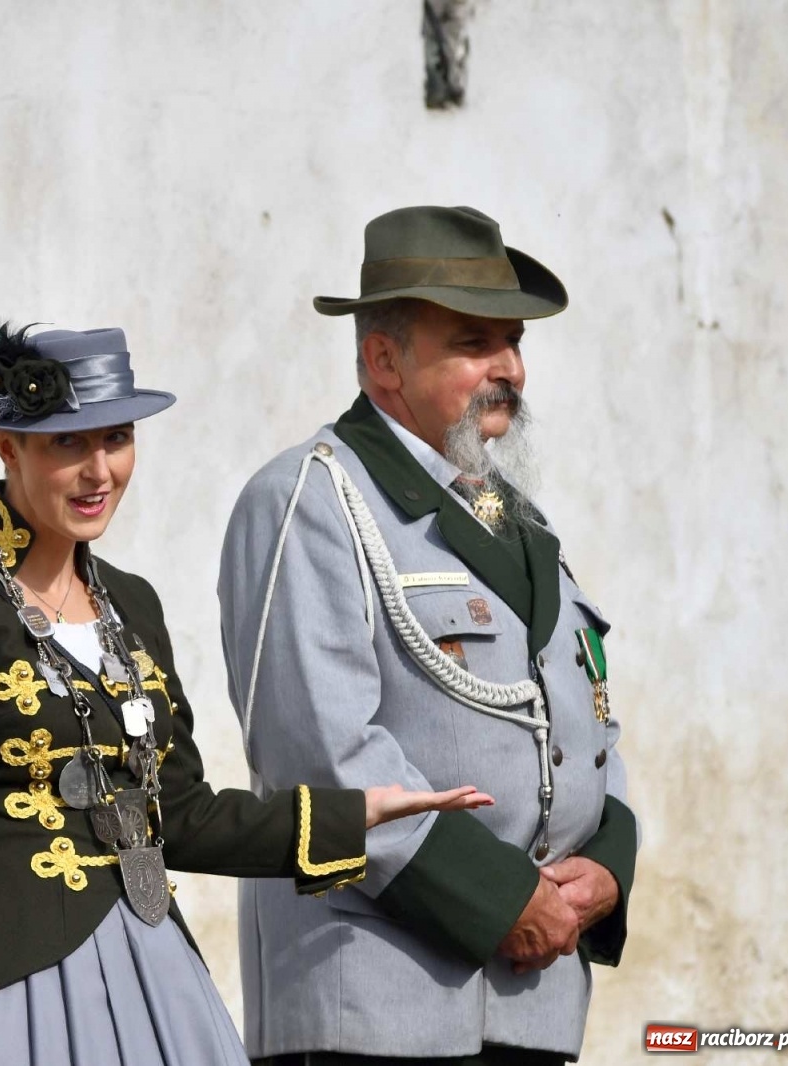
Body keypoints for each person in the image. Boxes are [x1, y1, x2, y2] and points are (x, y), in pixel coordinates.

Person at [0, 324, 491, 1065]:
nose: (99, 472)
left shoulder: (132, 604)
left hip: (152, 970)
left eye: (116, 438)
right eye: (67, 444)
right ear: (5, 446)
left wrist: (356, 815)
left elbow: (179, 816)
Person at [219, 206, 637, 1065]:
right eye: (476, 343)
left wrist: (606, 867)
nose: (510, 370)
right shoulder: (311, 500)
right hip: (374, 1004)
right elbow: (322, 757)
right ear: (384, 361)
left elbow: (584, 717)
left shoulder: (516, 521)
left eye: (514, 344)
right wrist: (497, 900)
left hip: (532, 1003)